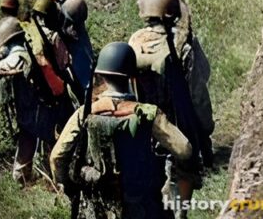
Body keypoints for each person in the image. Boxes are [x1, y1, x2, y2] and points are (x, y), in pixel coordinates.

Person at [50, 42, 197, 219]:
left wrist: (69, 185)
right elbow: (184, 149)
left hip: (98, 206)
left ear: (101, 77)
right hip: (141, 203)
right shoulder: (148, 112)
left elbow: (57, 156)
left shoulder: (85, 112)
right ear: (131, 77)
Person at [0, 0, 74, 185]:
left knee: (27, 134)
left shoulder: (2, 30)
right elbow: (37, 61)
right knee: (48, 133)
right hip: (35, 94)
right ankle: (52, 179)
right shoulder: (20, 29)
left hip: (21, 95)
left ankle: (21, 177)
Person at [129, 0, 214, 165]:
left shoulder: (135, 39)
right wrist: (206, 127)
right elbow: (198, 89)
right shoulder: (182, 43)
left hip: (148, 119)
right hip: (181, 124)